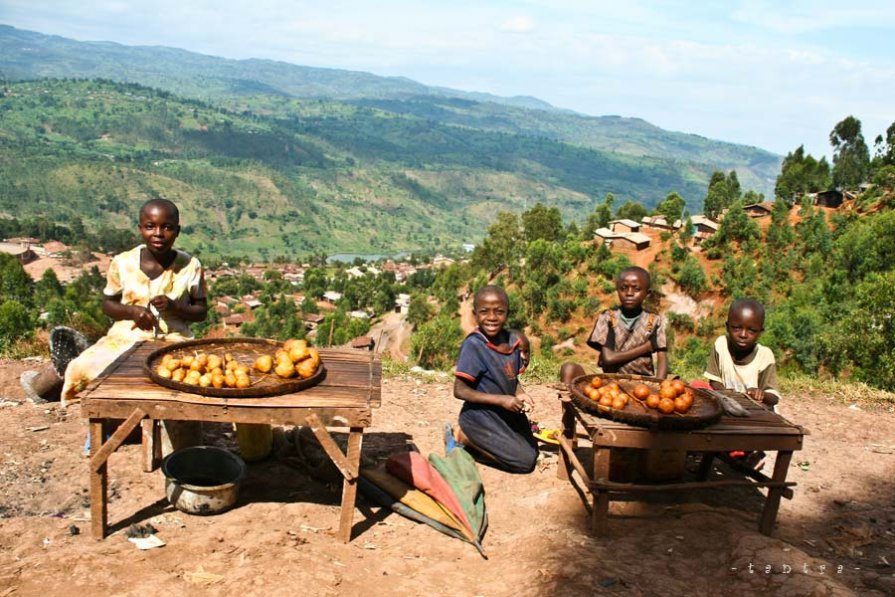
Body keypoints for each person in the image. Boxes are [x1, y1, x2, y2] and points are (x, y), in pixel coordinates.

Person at [61, 198, 208, 454]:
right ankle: (105, 424)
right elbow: (108, 304)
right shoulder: (123, 263)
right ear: (140, 228)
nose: (159, 234)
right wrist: (132, 311)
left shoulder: (190, 266)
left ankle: (166, 426)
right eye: (150, 226)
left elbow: (200, 311)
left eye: (167, 227)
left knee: (177, 375)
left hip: (173, 338)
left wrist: (176, 307)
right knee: (87, 365)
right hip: (126, 335)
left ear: (177, 230)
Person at [451, 285, 538, 474]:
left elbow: (509, 377)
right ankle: (464, 436)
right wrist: (502, 399)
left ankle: (487, 442)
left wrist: (520, 393)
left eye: (499, 312)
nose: (492, 317)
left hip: (505, 414)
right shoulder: (474, 345)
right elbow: (460, 390)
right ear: (475, 315)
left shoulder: (513, 341)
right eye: (484, 312)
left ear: (508, 312)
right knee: (525, 463)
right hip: (480, 417)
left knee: (533, 451)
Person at [561, 266, 667, 386]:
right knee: (569, 369)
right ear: (617, 289)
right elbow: (609, 358)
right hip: (608, 379)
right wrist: (645, 348)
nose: (629, 293)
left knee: (679, 384)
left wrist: (659, 386)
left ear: (647, 294)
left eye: (636, 289)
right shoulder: (607, 317)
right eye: (624, 288)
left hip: (643, 381)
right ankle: (570, 404)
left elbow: (662, 359)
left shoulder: (654, 321)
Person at [704, 298, 780, 409]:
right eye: (736, 328)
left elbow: (774, 398)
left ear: (760, 332)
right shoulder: (721, 345)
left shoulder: (764, 355)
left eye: (752, 330)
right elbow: (714, 381)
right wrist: (728, 395)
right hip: (730, 405)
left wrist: (761, 394)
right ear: (727, 327)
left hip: (758, 411)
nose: (743, 335)